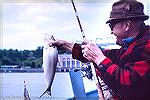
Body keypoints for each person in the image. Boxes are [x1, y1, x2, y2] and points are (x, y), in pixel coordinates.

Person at [49, 0, 150, 99]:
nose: (111, 32)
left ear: (127, 25)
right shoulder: (133, 47)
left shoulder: (146, 45)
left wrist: (98, 58)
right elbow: (109, 56)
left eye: (111, 26)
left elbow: (130, 87)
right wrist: (66, 45)